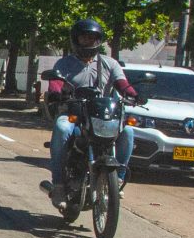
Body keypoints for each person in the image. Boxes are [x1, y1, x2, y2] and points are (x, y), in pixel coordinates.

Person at [49, 18, 137, 205]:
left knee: (128, 130)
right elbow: (55, 83)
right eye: (84, 38)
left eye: (92, 38)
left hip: (101, 115)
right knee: (62, 128)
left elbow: (123, 84)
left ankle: (119, 178)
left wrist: (134, 94)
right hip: (74, 113)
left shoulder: (110, 64)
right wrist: (57, 92)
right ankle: (57, 184)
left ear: (99, 40)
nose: (88, 41)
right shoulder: (64, 64)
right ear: (76, 39)